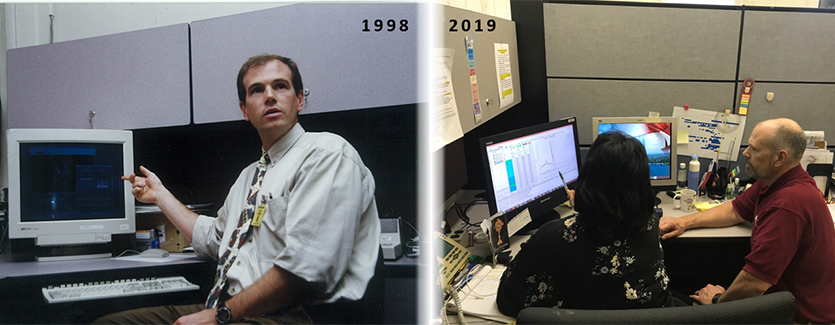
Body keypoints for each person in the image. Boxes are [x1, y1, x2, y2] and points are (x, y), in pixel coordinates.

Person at [96, 54, 380, 324]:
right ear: (245, 110)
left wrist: (221, 316)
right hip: (235, 308)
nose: (269, 95)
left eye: (280, 86)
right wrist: (160, 195)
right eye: (257, 90)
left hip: (290, 315)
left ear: (300, 99)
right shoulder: (250, 177)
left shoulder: (326, 154)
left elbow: (303, 271)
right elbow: (216, 238)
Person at [659, 118, 835, 323]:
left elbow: (755, 284)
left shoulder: (787, 205)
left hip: (799, 317)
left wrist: (717, 303)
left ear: (779, 158)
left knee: (686, 306)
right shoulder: (775, 181)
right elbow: (735, 210)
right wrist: (684, 223)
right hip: (781, 300)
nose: (745, 153)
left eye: (753, 148)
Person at [496, 131, 675, 317]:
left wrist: (584, 206)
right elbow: (616, 212)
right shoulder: (651, 223)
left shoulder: (553, 236)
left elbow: (508, 300)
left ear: (587, 178)